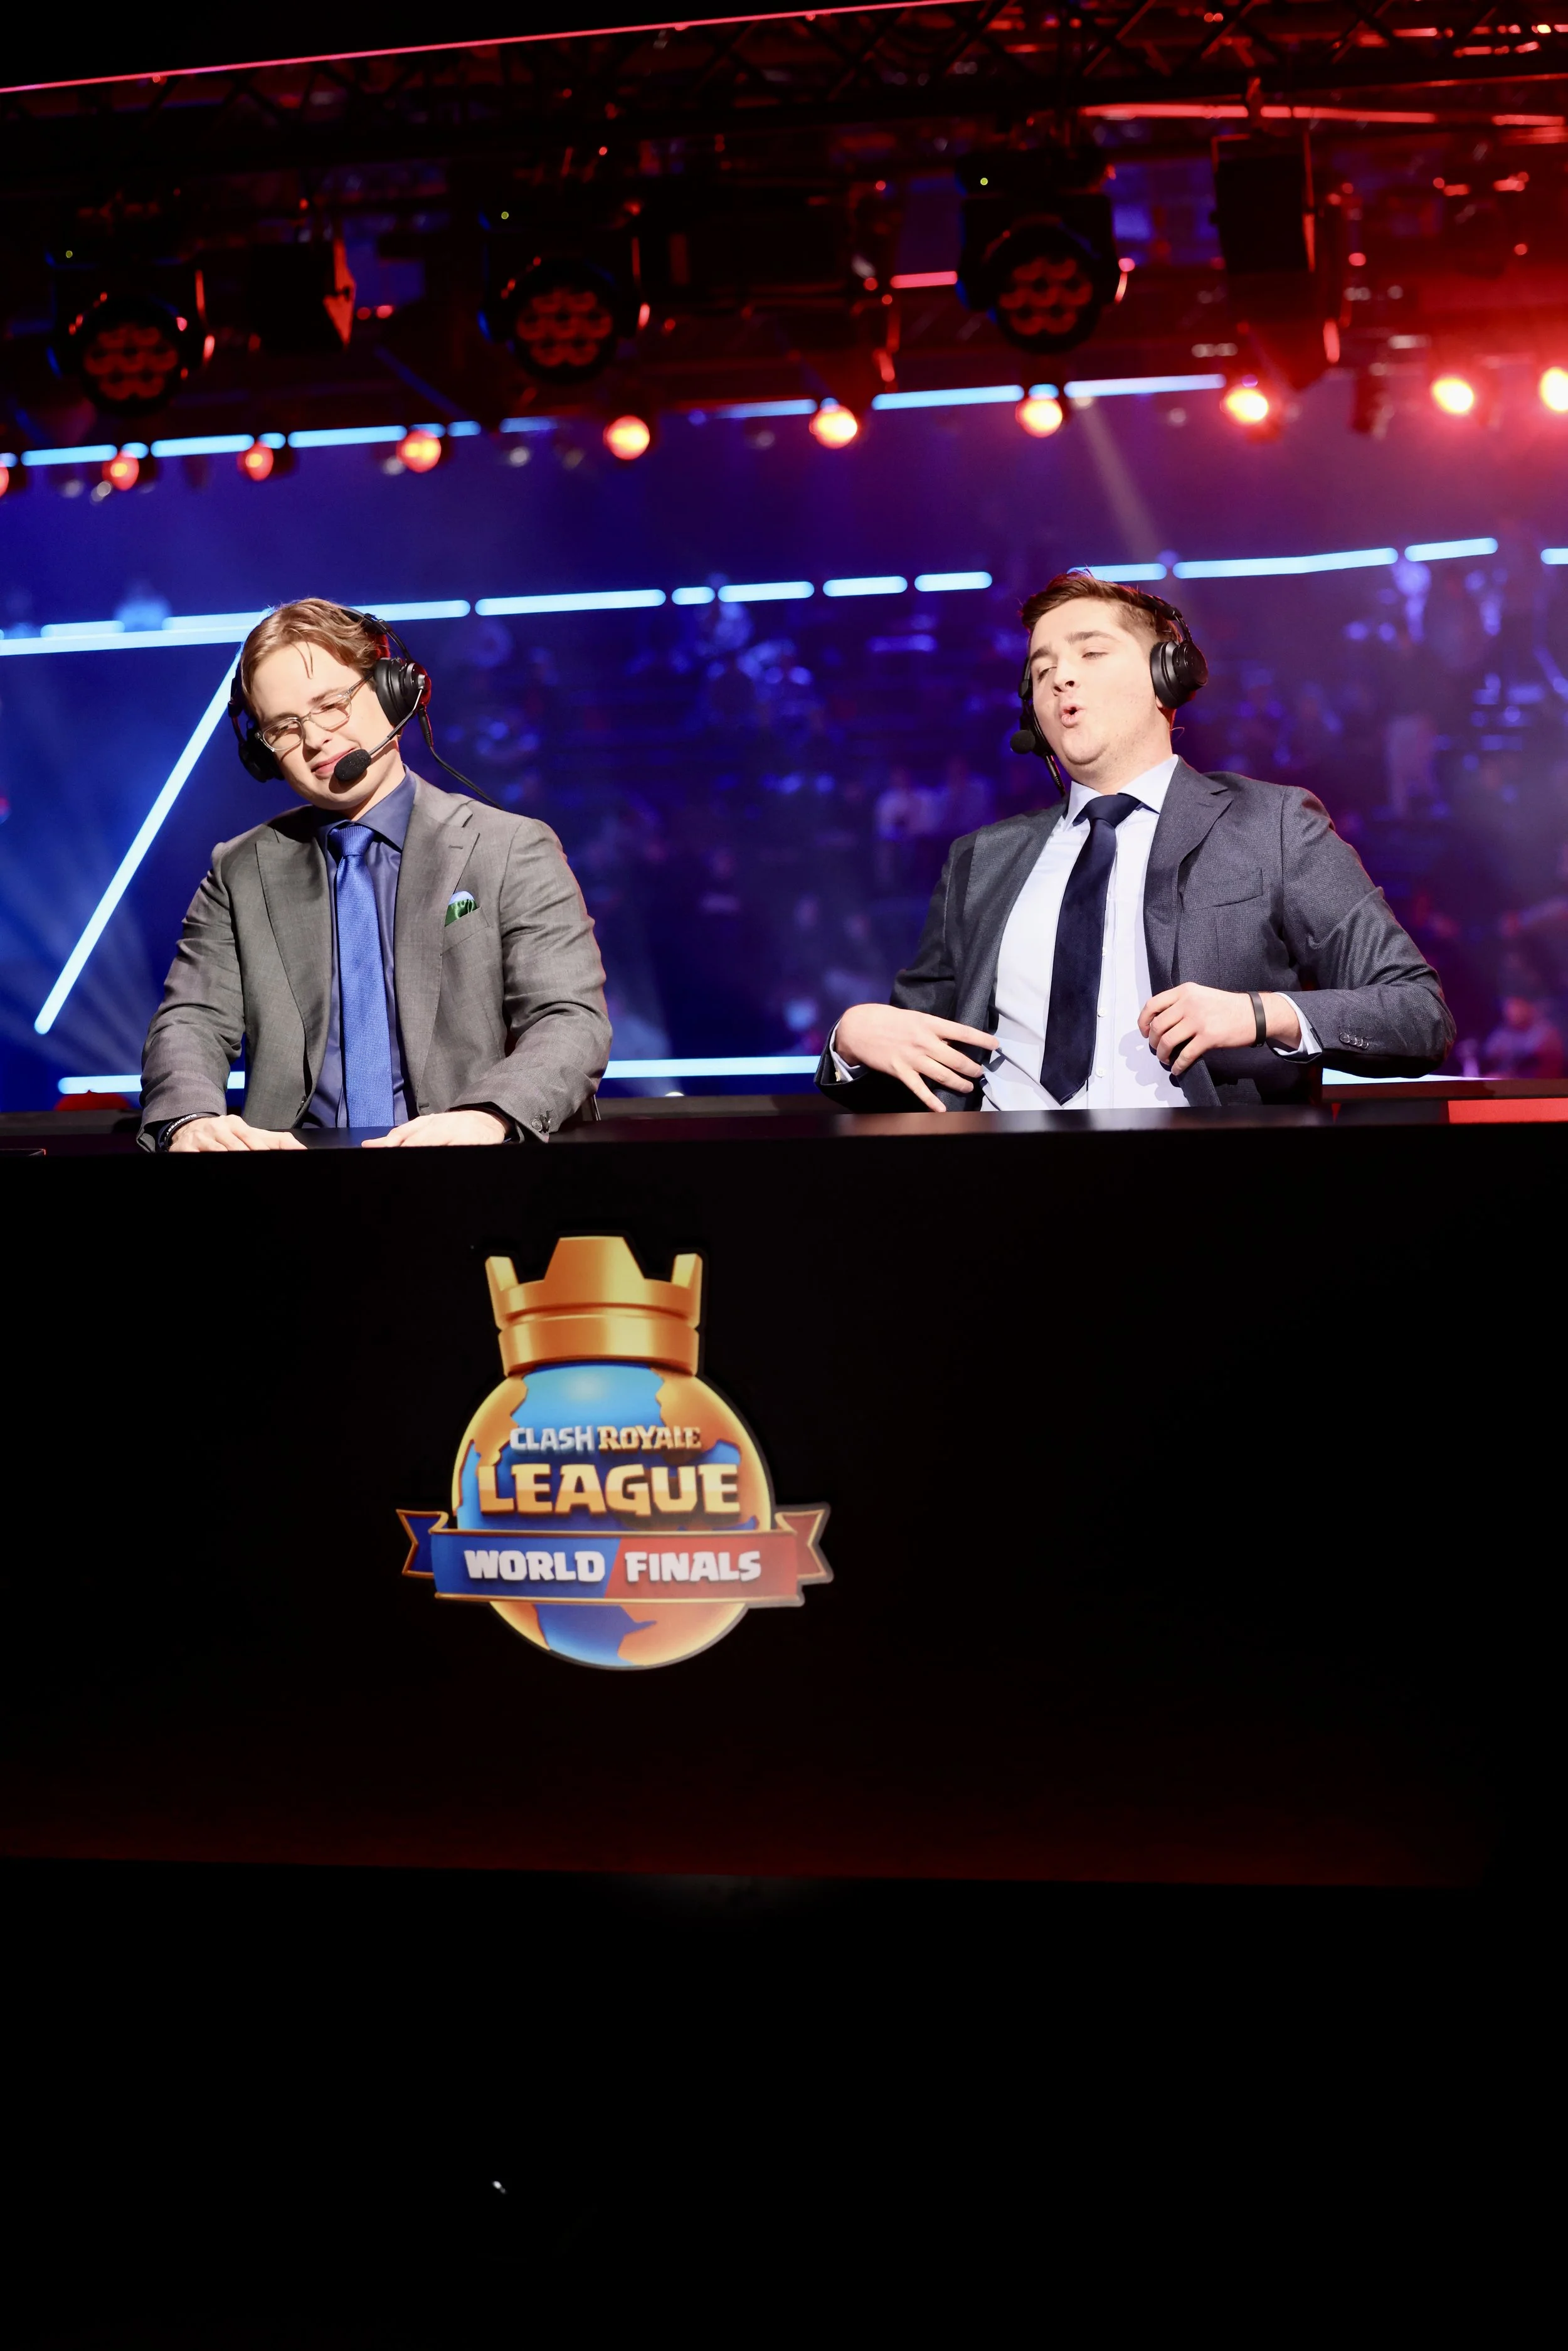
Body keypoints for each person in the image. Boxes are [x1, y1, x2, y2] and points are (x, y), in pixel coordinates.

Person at [820, 573, 1454, 1112]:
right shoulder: (981, 860)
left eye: (1090, 653)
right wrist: (849, 1046)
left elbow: (1416, 1013)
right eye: (1042, 669)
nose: (1060, 678)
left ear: (1165, 676)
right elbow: (915, 1055)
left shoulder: (1273, 824)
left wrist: (1264, 1014)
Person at [139, 601, 608, 1150]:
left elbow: (568, 1018)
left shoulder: (510, 848)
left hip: (466, 1165)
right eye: (283, 727)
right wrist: (190, 1121)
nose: (314, 739)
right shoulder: (239, 870)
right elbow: (191, 1021)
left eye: (331, 705)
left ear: (394, 692)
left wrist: (487, 1117)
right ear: (262, 754)